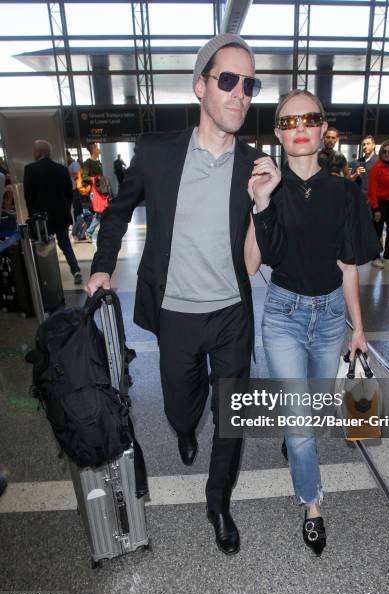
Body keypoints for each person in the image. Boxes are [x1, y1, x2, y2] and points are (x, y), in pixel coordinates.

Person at [85, 34, 263, 555]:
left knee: (232, 415)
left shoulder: (254, 164)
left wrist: (269, 203)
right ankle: (185, 429)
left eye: (249, 84)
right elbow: (117, 213)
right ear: (200, 87)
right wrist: (100, 268)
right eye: (227, 80)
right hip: (176, 314)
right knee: (181, 407)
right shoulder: (158, 154)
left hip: (232, 312)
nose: (239, 93)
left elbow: (268, 243)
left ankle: (219, 503)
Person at [244, 89, 379, 556]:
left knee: (315, 406)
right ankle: (312, 504)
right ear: (279, 134)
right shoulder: (268, 186)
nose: (299, 126)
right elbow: (249, 265)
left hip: (329, 318)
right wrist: (259, 203)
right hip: (282, 314)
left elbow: (349, 268)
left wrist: (358, 331)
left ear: (323, 129)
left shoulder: (344, 193)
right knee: (302, 425)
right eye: (287, 121)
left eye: (310, 118)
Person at [23, 140, 82, 284]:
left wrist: (32, 215)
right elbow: (69, 194)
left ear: (37, 153)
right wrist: (65, 209)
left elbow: (28, 196)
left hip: (41, 217)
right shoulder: (62, 169)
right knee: (65, 244)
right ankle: (76, 271)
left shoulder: (30, 169)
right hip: (61, 215)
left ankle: (49, 278)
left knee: (45, 246)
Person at [82, 143, 104, 241]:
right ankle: (89, 232)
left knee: (101, 212)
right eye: (97, 147)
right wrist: (96, 179)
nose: (99, 149)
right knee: (100, 212)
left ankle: (91, 232)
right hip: (95, 191)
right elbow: (84, 177)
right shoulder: (88, 162)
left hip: (101, 190)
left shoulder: (98, 162)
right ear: (93, 150)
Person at [356, 135, 378, 204]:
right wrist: (356, 173)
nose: (365, 146)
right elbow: (353, 179)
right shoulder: (359, 161)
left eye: (368, 144)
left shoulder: (379, 161)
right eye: (363, 145)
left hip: (375, 200)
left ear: (373, 145)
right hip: (360, 198)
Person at [66, 150, 83, 221]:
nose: (66, 158)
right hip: (70, 189)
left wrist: (66, 173)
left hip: (75, 189)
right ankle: (77, 223)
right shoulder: (68, 165)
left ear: (69, 155)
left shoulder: (75, 164)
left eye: (66, 156)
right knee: (74, 207)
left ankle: (79, 223)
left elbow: (77, 174)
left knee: (76, 208)